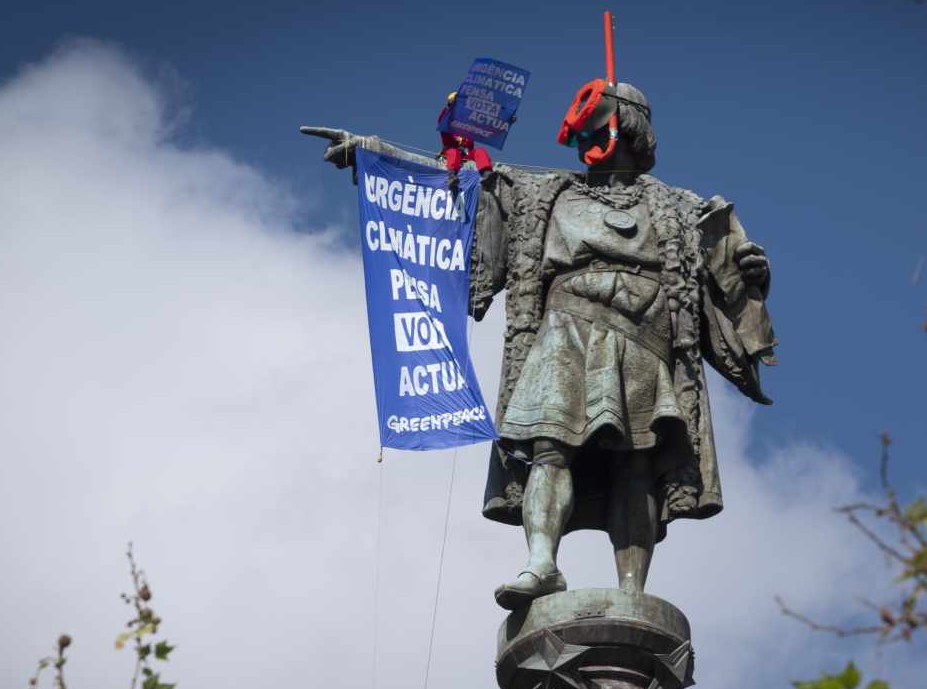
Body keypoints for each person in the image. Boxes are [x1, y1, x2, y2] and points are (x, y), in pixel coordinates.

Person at [304, 74, 775, 610]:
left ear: (631, 130)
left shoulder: (683, 208)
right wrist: (375, 154)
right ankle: (541, 563)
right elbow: (453, 179)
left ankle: (632, 594)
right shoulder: (541, 192)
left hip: (645, 338)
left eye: (598, 128)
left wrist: (751, 270)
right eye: (581, 134)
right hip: (566, 329)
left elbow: (730, 275)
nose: (585, 143)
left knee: (638, 461)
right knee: (549, 445)